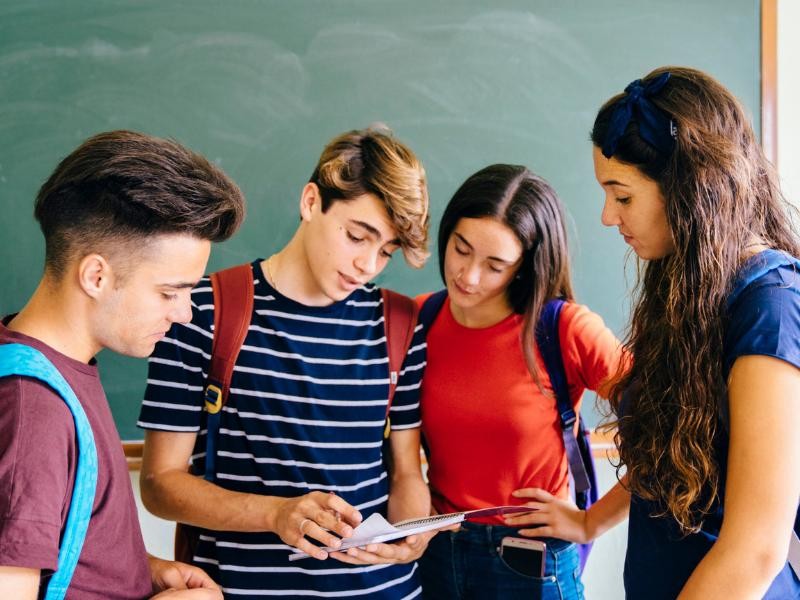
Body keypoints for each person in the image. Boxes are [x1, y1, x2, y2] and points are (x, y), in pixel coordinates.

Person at [528, 66, 800, 599]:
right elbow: (671, 453)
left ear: (688, 188)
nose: (608, 217)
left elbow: (757, 546)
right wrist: (588, 524)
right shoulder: (687, 288)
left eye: (622, 196)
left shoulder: (769, 307)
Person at [137, 126, 434, 599]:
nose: (368, 265)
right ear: (312, 201)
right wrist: (277, 514)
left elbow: (404, 474)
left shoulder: (400, 324)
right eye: (358, 236)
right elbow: (159, 484)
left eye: (386, 251)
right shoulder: (201, 311)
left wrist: (413, 534)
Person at [0, 130, 246, 599]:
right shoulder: (35, 411)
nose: (185, 311)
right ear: (96, 275)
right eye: (169, 292)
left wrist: (141, 568)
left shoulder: (54, 368)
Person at [415, 163, 622, 600]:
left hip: (529, 561)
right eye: (460, 248)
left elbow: (673, 432)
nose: (468, 276)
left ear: (525, 266)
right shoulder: (419, 320)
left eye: (495, 265)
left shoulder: (565, 329)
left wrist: (591, 522)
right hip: (435, 554)